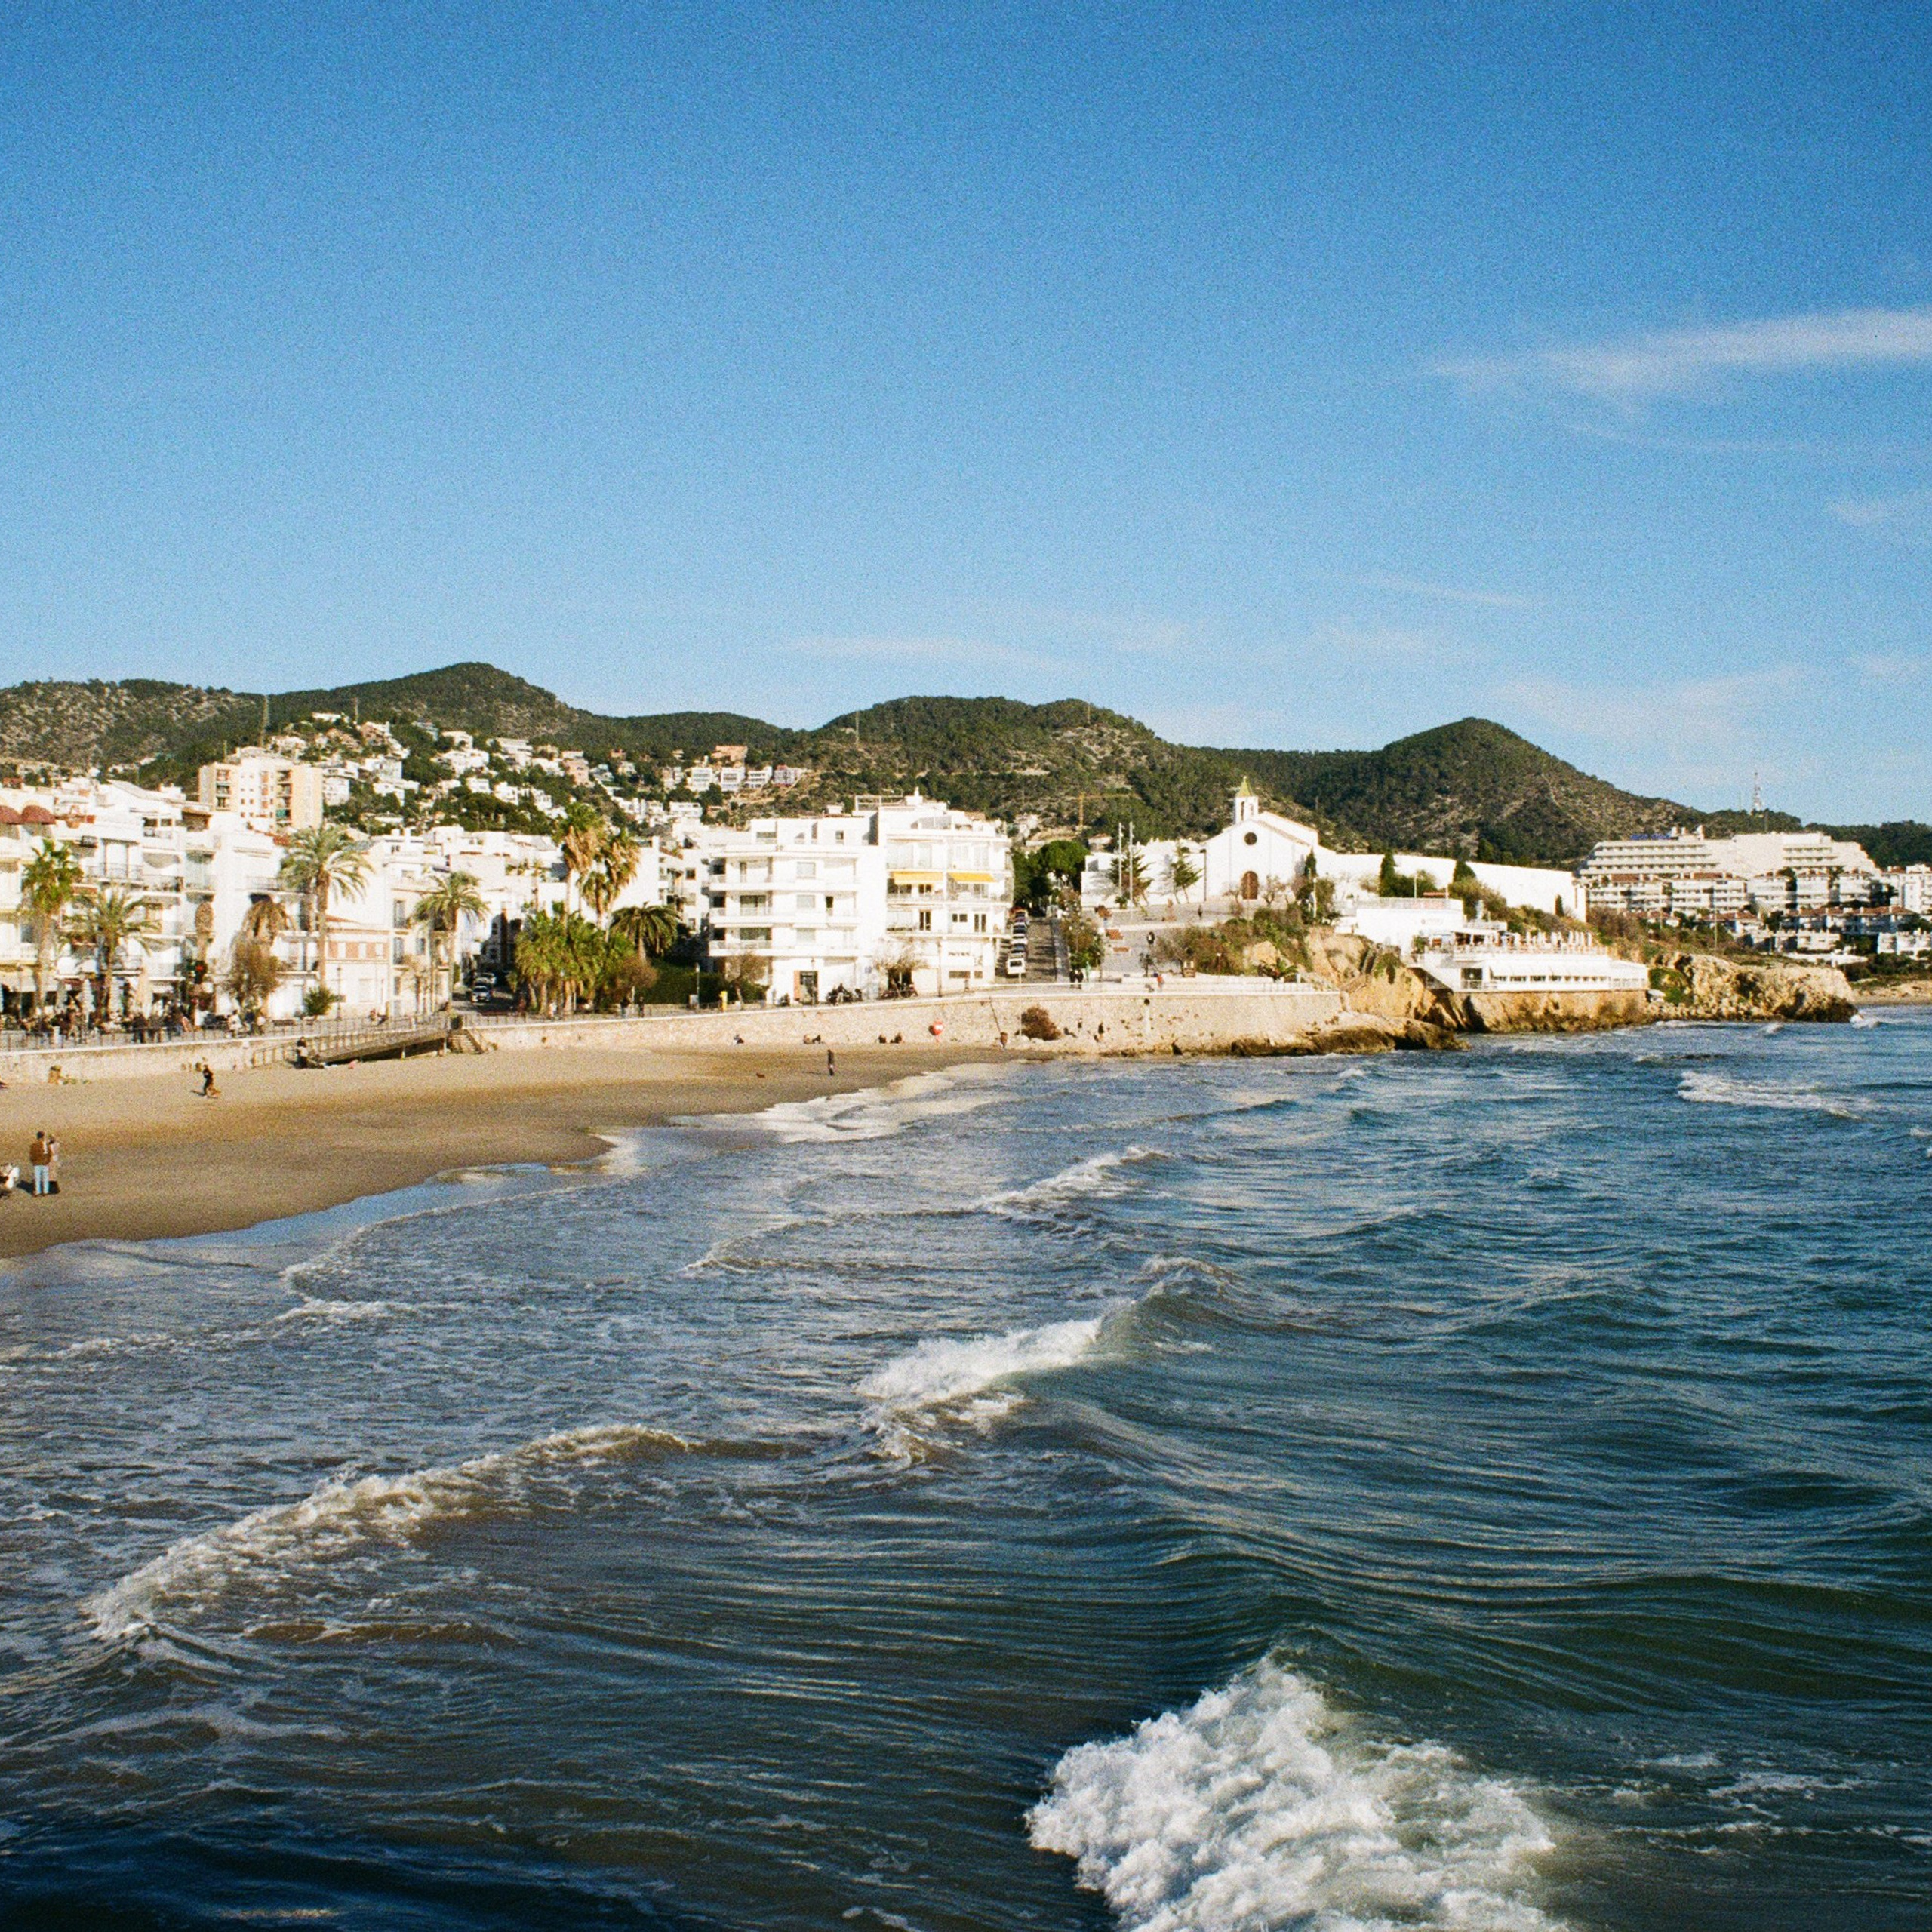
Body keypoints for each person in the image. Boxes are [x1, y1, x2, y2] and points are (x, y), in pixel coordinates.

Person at [28, 1132, 50, 1197]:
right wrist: (48, 1161)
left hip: (37, 1163)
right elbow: (50, 1154)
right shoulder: (45, 1144)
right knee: (45, 1178)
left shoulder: (34, 1145)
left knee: (37, 1178)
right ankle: (45, 1191)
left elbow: (31, 1155)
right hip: (44, 1163)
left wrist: (33, 1162)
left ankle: (38, 1191)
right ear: (43, 1137)